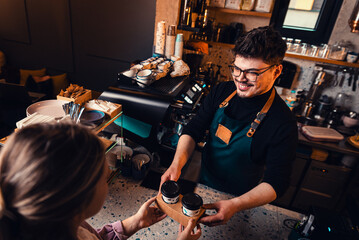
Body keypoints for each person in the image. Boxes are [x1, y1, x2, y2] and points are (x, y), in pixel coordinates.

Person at [161, 26, 298, 227]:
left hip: (242, 201)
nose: (241, 78)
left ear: (276, 71)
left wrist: (235, 205)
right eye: (237, 68)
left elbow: (278, 182)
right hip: (203, 185)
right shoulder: (222, 92)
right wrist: (176, 164)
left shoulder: (282, 122)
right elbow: (194, 129)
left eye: (252, 72)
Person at [0, 122, 201, 240]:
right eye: (105, 178)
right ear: (80, 197)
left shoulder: (61, 225)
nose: (108, 180)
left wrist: (133, 223)